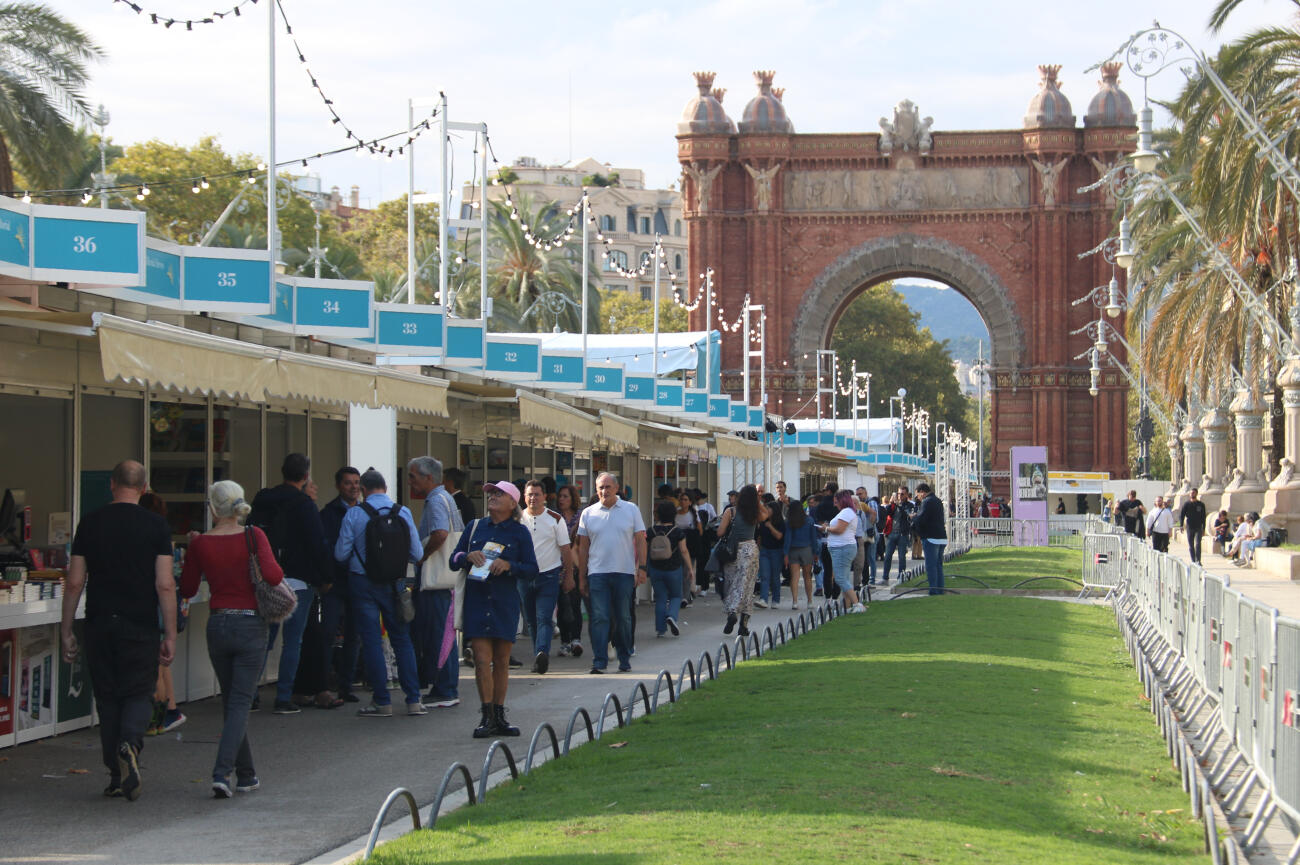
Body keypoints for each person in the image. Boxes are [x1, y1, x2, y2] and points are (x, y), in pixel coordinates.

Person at [60, 460, 175, 802]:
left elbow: (74, 581)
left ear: (112, 484)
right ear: (144, 488)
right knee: (139, 691)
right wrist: (169, 632)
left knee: (107, 696)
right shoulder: (156, 526)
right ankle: (130, 744)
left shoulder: (90, 523)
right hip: (139, 622)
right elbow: (165, 584)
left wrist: (67, 629)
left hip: (98, 622)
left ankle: (114, 774)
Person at [180, 480, 283, 798]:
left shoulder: (201, 544)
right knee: (239, 701)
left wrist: (193, 547)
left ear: (212, 508)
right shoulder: (255, 536)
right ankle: (222, 773)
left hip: (218, 623)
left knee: (232, 701)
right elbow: (275, 576)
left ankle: (247, 774)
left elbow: (186, 588)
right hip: (251, 625)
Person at [448, 481, 539, 737]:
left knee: (501, 660)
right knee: (481, 660)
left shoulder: (519, 533)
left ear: (513, 503)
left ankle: (499, 715)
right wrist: (468, 556)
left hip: (503, 602)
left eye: (500, 494)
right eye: (491, 494)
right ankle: (485, 715)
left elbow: (531, 568)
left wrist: (509, 566)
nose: (493, 497)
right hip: (477, 601)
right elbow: (453, 560)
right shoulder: (474, 526)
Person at [334, 469, 425, 717]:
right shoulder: (403, 512)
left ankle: (382, 702)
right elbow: (416, 554)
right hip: (395, 583)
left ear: (363, 489)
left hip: (362, 582)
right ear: (385, 488)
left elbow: (340, 554)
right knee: (402, 639)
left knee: (372, 640)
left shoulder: (355, 514)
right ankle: (414, 700)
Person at [247, 453, 332, 715]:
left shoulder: (262, 500)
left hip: (265, 579)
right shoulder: (304, 505)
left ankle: (249, 694)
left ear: (282, 471)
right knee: (292, 641)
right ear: (305, 476)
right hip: (299, 579)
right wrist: (326, 577)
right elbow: (318, 543)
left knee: (265, 639)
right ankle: (284, 696)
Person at [575, 472, 647, 674]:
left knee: (623, 617)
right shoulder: (588, 513)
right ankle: (599, 660)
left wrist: (642, 567)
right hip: (597, 573)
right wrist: (582, 576)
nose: (604, 491)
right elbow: (582, 547)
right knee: (599, 617)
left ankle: (624, 657)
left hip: (623, 572)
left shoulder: (630, 509)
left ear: (616, 488)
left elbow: (641, 539)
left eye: (607, 487)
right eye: (600, 487)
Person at [406, 456, 462, 708]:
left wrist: (422, 556)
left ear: (429, 478)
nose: (410, 481)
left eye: (413, 476)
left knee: (439, 634)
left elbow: (440, 533)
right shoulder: (447, 498)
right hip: (447, 580)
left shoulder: (436, 501)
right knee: (444, 633)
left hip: (437, 581)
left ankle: (445, 688)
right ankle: (444, 685)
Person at [138, 492, 185, 736]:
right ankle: (171, 710)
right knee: (162, 664)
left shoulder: (147, 536)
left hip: (151, 606)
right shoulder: (164, 536)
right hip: (163, 606)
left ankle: (155, 718)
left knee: (154, 667)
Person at [520, 480, 575, 674]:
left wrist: (569, 576)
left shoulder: (555, 519)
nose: (533, 498)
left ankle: (542, 652)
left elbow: (566, 550)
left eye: (537, 494)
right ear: (524, 497)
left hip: (549, 575)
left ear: (544, 497)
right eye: (529, 495)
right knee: (531, 620)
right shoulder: (517, 519)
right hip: (524, 577)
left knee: (544, 617)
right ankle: (538, 655)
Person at [319, 467, 361, 703]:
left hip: (357, 583)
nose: (353, 487)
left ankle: (347, 685)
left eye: (356, 483)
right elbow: (324, 549)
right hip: (335, 583)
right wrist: (326, 579)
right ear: (338, 486)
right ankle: (323, 684)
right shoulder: (329, 513)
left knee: (354, 636)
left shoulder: (366, 512)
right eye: (348, 483)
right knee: (328, 634)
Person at [719, 484, 770, 634]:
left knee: (731, 583)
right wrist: (757, 502)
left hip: (732, 550)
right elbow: (766, 514)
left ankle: (732, 612)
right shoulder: (754, 513)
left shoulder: (731, 511)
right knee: (747, 586)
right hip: (750, 549)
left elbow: (720, 532)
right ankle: (744, 624)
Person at [647, 500, 693, 637]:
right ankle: (672, 616)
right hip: (674, 568)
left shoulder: (651, 531)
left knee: (660, 598)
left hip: (655, 569)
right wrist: (690, 568)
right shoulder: (677, 532)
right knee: (675, 596)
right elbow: (684, 551)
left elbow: (646, 549)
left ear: (658, 514)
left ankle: (660, 630)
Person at [819, 490, 866, 613]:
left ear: (842, 501)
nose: (835, 505)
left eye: (836, 502)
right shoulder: (848, 512)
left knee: (839, 578)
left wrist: (826, 528)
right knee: (844, 578)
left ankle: (857, 604)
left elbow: (839, 530)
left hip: (842, 548)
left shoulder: (846, 512)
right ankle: (848, 606)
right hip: (842, 547)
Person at [553, 484, 587, 658]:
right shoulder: (554, 517)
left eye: (566, 496)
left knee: (574, 604)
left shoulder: (581, 517)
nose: (562, 499)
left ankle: (576, 639)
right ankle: (565, 642)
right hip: (557, 567)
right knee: (562, 605)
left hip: (575, 566)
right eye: (560, 496)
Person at [913, 482, 948, 595]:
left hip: (931, 537)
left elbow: (922, 519)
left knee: (931, 565)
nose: (917, 498)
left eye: (917, 495)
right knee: (938, 565)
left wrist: (914, 518)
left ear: (922, 492)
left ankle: (933, 590)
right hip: (941, 536)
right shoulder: (937, 500)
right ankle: (940, 589)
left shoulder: (927, 502)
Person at [783, 498, 817, 610]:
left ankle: (795, 601)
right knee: (807, 576)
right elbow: (813, 538)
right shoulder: (810, 520)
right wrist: (816, 552)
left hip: (793, 550)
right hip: (807, 549)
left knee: (795, 577)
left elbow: (787, 538)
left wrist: (785, 554)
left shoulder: (789, 521)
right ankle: (810, 601)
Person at [755, 492, 785, 608]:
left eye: (768, 508)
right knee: (764, 575)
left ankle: (776, 600)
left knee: (775, 576)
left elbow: (779, 536)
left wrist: (770, 526)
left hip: (777, 551)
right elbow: (759, 536)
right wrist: (758, 548)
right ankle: (763, 599)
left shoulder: (780, 522)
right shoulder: (762, 522)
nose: (766, 510)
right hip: (764, 551)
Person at [674, 489, 702, 603]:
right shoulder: (675, 513)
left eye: (685, 500)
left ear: (690, 502)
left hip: (690, 547)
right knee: (678, 571)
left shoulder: (693, 514)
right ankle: (679, 595)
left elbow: (700, 531)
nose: (683, 502)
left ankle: (685, 597)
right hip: (676, 546)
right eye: (681, 499)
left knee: (687, 572)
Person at [881, 487, 915, 583]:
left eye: (902, 494)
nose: (900, 496)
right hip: (891, 533)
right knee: (887, 556)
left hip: (902, 534)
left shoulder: (909, 505)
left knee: (901, 557)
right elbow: (887, 513)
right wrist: (891, 503)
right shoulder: (894, 505)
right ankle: (885, 577)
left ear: (907, 495)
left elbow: (906, 515)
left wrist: (898, 505)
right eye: (899, 494)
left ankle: (901, 576)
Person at [1179, 488, 1208, 564]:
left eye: (1194, 493)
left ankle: (1198, 560)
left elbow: (1203, 517)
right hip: (1190, 526)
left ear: (1196, 494)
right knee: (1191, 545)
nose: (1192, 494)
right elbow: (1182, 515)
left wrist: (1204, 528)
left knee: (1198, 544)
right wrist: (1181, 525)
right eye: (1191, 493)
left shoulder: (1201, 504)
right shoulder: (1187, 504)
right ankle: (1193, 560)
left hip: (1198, 526)